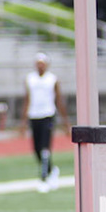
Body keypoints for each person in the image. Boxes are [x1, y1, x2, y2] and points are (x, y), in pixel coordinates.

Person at [25, 53, 66, 193]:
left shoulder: (52, 79)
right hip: (34, 115)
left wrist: (65, 122)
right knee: (36, 149)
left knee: (45, 148)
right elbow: (27, 99)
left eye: (42, 63)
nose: (40, 65)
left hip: (47, 115)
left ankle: (43, 178)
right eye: (38, 63)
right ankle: (52, 170)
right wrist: (23, 120)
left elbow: (59, 100)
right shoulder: (30, 79)